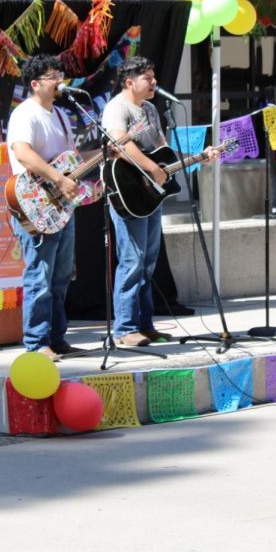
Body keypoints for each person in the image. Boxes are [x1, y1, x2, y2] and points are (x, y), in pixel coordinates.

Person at [101, 56, 215, 346]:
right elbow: (121, 144)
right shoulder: (117, 108)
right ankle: (125, 329)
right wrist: (152, 168)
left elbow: (160, 148)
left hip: (149, 193)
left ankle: (144, 324)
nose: (154, 83)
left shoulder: (150, 109)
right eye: (147, 78)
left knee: (148, 261)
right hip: (127, 191)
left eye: (154, 77)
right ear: (130, 82)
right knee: (131, 260)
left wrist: (195, 158)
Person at [6, 54, 85, 361]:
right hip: (35, 204)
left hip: (61, 206)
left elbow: (69, 158)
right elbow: (23, 153)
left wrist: (107, 154)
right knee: (40, 273)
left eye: (60, 74)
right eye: (53, 76)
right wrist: (57, 179)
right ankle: (37, 343)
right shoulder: (25, 114)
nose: (59, 80)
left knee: (61, 275)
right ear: (35, 84)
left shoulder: (62, 114)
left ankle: (57, 337)